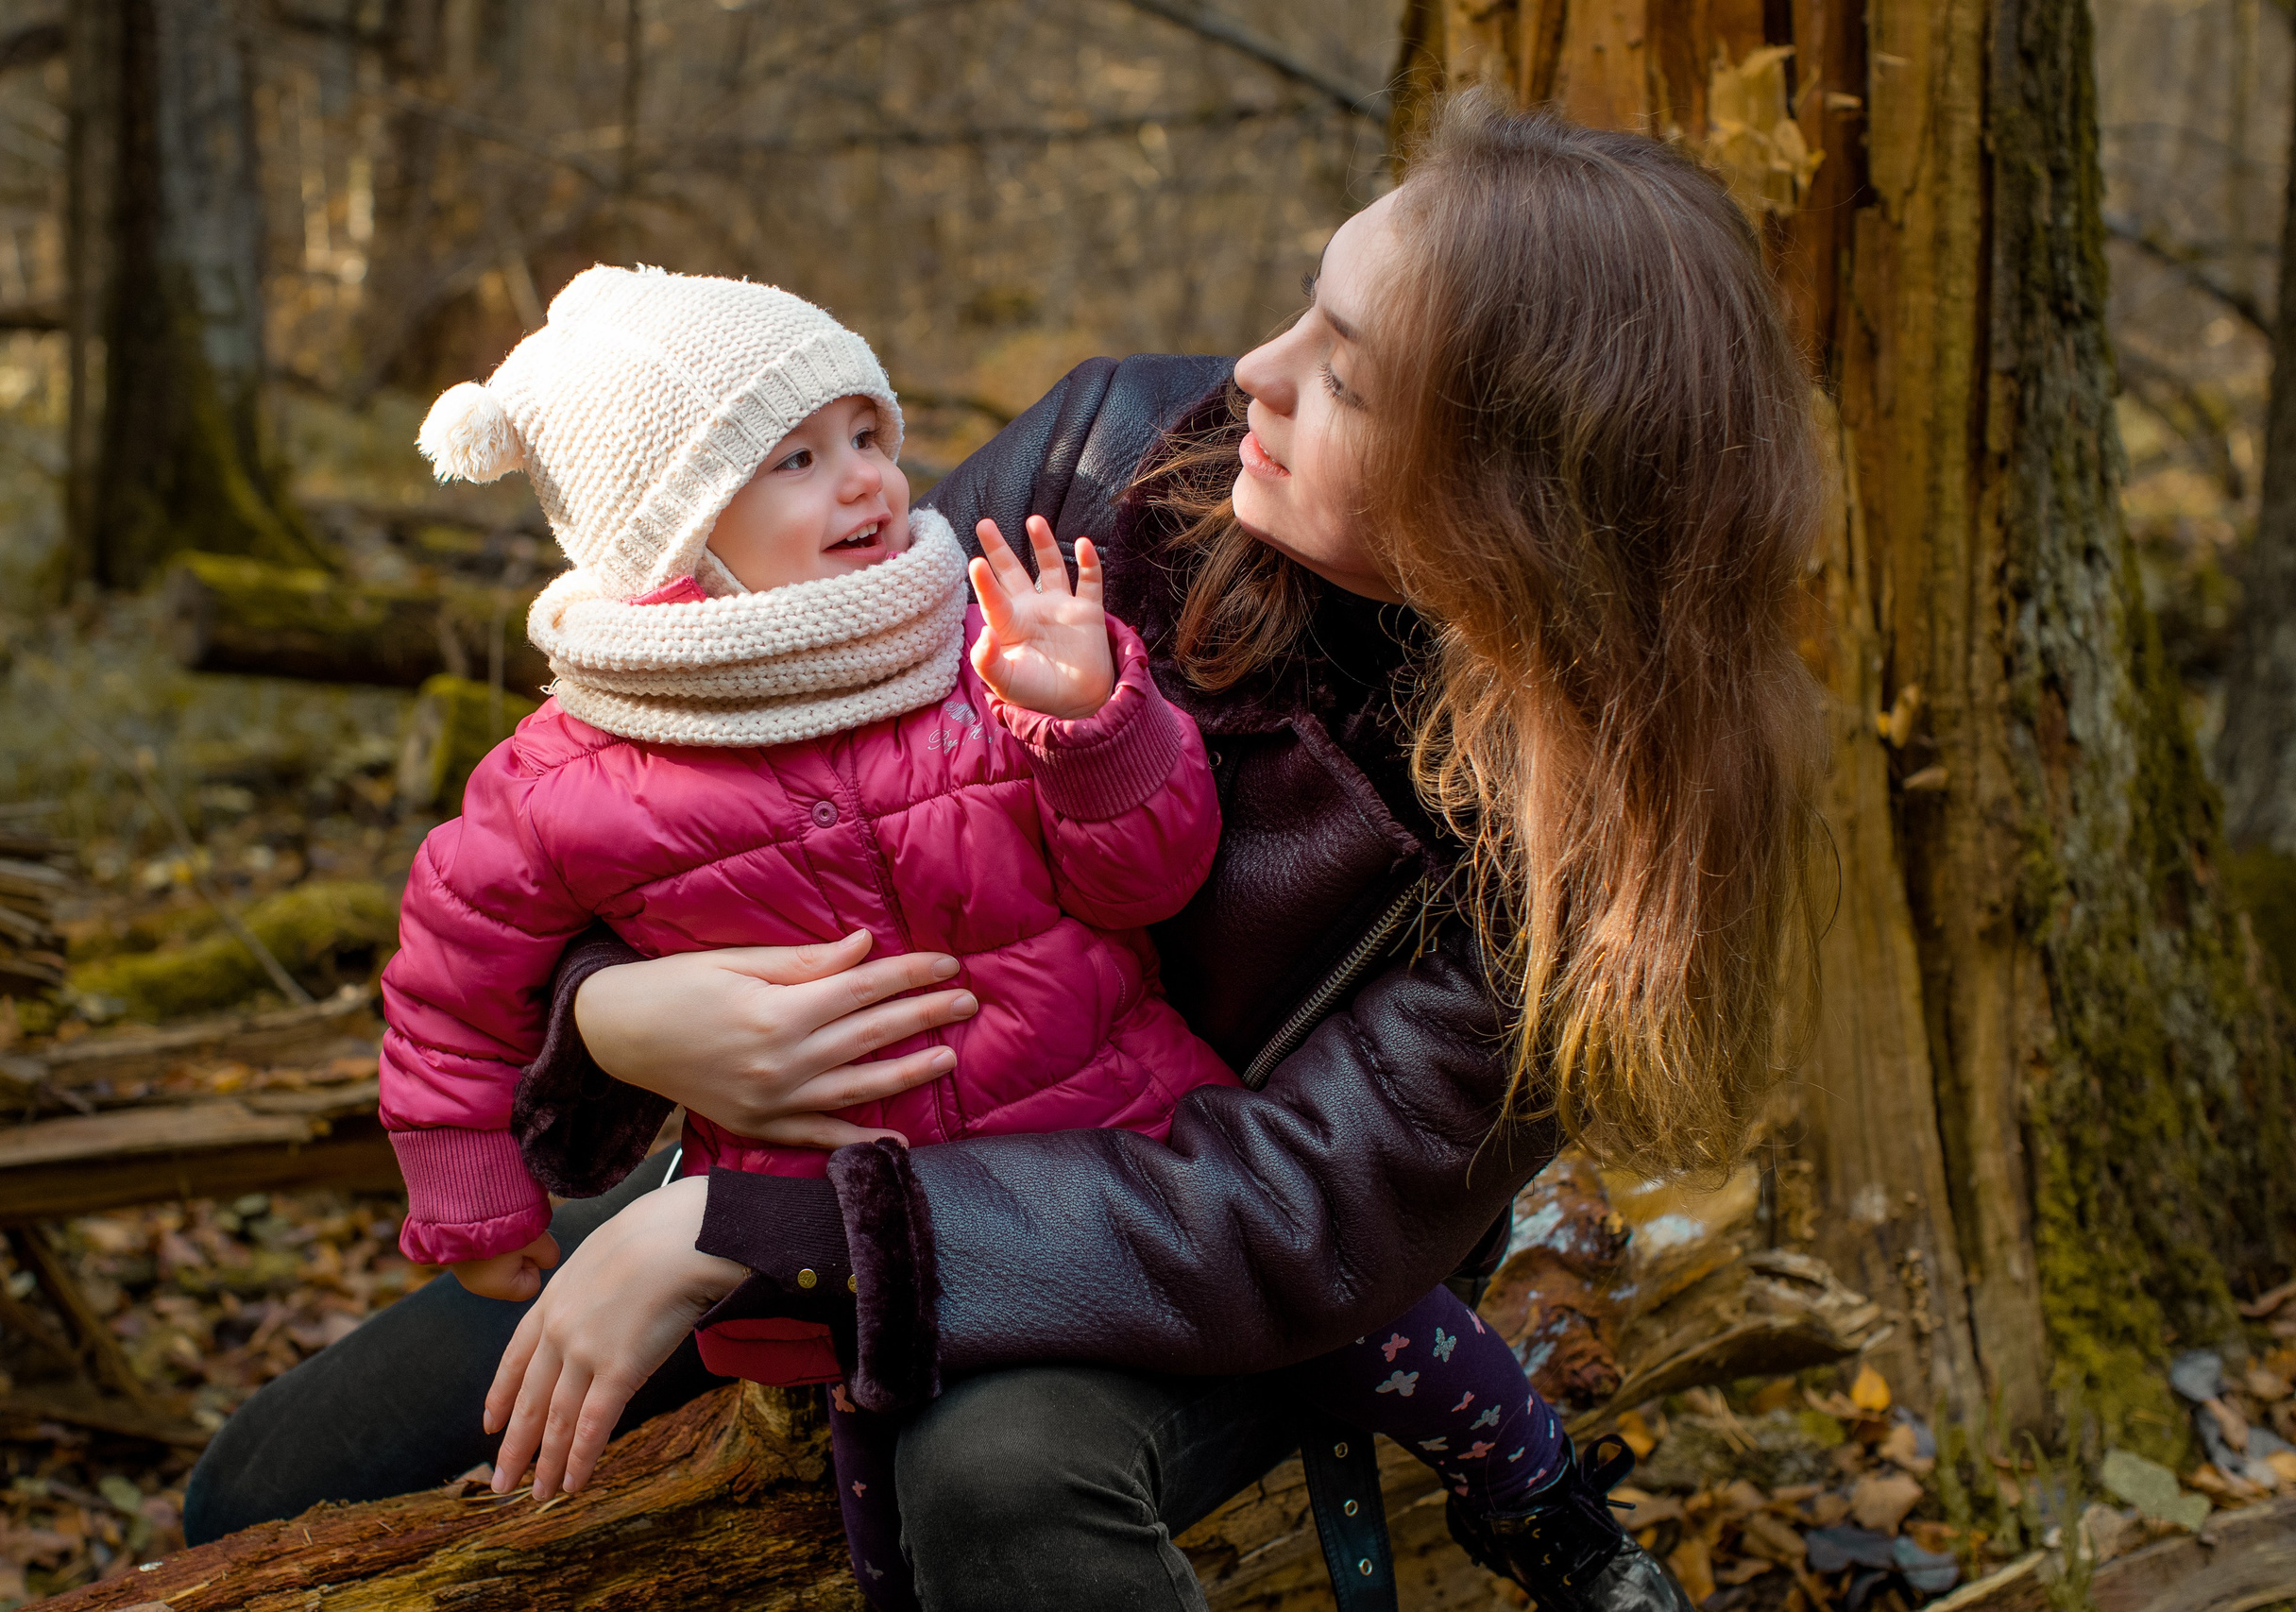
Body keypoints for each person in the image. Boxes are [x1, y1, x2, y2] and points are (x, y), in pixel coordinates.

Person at [186, 97, 1821, 1612]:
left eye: (1345, 375)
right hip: (850, 1116)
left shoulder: (1597, 846)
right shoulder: (1114, 459)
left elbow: (1295, 1214)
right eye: (1306, 307)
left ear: (1511, 501)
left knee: (996, 1478)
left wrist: (741, 1240)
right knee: (266, 1493)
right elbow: (712, 782)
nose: (1254, 365)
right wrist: (622, 1016)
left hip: (1188, 1245)